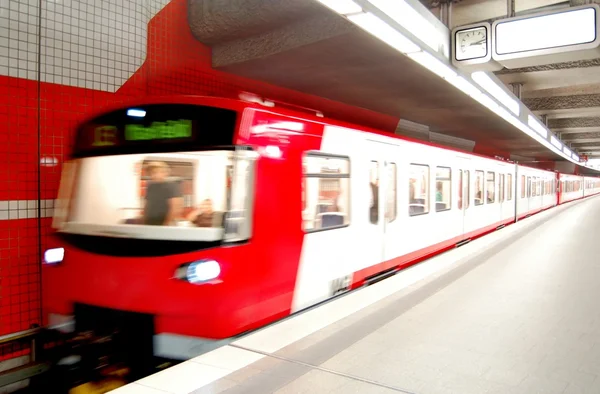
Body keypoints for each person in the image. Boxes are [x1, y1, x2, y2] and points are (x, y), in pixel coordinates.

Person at [143, 161, 183, 226]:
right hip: (149, 221)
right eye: (152, 173)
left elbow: (176, 208)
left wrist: (166, 224)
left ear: (165, 173)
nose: (154, 175)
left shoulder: (173, 185)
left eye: (157, 172)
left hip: (164, 222)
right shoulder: (150, 186)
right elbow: (147, 204)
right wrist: (144, 219)